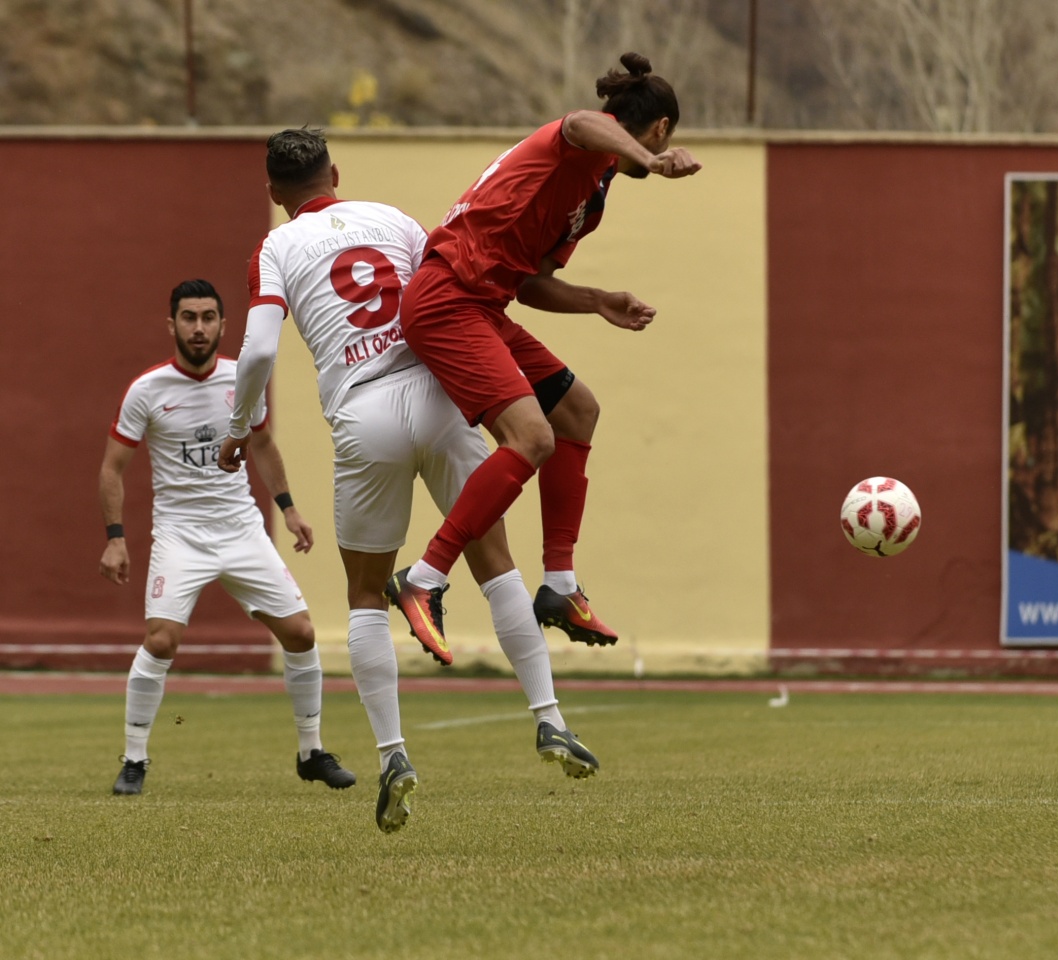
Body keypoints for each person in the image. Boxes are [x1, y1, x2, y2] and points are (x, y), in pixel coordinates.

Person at [217, 129, 598, 832]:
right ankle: (549, 719)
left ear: (272, 192)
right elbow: (458, 288)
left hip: (364, 418)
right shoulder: (391, 218)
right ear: (335, 172)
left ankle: (394, 755)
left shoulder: (273, 249)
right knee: (495, 564)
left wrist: (240, 426)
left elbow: (261, 346)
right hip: (436, 391)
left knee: (365, 595)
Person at [385, 52, 701, 663]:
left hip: (483, 305)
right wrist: (652, 162)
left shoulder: (595, 194)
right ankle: (423, 579)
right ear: (660, 128)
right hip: (447, 298)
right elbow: (581, 121)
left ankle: (559, 587)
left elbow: (531, 281)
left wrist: (598, 300)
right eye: (663, 140)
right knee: (531, 437)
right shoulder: (584, 146)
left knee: (577, 411)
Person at [100, 279, 354, 797]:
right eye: (189, 317)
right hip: (180, 536)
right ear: (171, 325)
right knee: (161, 641)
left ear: (222, 324)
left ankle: (311, 752)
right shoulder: (147, 390)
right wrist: (115, 537)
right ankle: (134, 759)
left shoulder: (243, 378)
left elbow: (262, 446)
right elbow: (112, 468)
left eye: (208, 317)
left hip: (241, 530)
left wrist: (288, 509)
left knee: (302, 634)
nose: (199, 327)